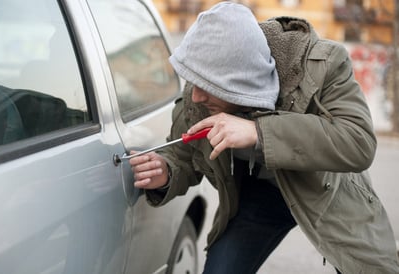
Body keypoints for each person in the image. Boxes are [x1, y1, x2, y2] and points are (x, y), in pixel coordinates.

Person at [129, 2, 399, 273]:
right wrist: (166, 170)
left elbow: (358, 142)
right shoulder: (201, 89)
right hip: (261, 197)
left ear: (239, 81)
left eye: (208, 87)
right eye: (194, 82)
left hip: (327, 190)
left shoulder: (325, 65)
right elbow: (183, 154)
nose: (196, 96)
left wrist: (258, 132)